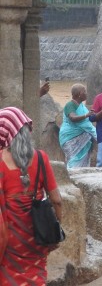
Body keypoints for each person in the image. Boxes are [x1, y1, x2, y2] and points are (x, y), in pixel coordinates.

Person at [0, 107, 63, 285]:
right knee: (36, 275)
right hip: (38, 235)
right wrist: (56, 229)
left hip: (9, 242)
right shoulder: (41, 158)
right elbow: (57, 200)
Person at [59, 83, 97, 168]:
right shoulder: (70, 105)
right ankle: (71, 176)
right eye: (85, 91)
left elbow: (87, 123)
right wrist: (86, 115)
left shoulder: (81, 106)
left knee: (82, 159)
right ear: (80, 94)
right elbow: (72, 117)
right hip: (70, 138)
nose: (86, 93)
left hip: (81, 137)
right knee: (73, 159)